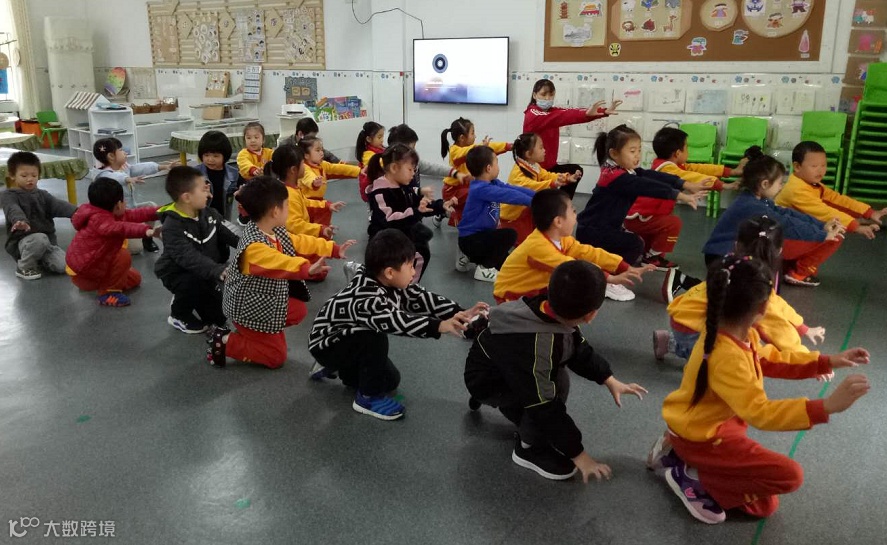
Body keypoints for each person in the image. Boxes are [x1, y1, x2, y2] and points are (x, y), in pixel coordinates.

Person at [647, 255, 870, 524]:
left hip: (703, 426)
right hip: (703, 437)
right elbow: (761, 413)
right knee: (790, 476)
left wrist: (826, 361)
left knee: (762, 505)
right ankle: (689, 476)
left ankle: (679, 454)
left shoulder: (735, 332)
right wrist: (826, 407)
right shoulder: (727, 354)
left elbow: (768, 359)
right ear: (763, 307)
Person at [465, 260, 648, 482]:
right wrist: (579, 456)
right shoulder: (541, 346)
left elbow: (578, 349)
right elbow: (544, 406)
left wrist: (608, 379)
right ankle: (528, 449)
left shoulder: (546, 307)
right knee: (557, 383)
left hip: (494, 367)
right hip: (488, 382)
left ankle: (514, 411)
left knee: (547, 381)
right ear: (591, 315)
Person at [308, 228, 489, 420]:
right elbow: (398, 322)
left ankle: (338, 367)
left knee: (390, 381)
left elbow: (422, 299)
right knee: (374, 337)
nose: (414, 272)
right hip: (326, 344)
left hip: (346, 338)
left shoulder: (386, 279)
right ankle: (366, 399)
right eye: (410, 266)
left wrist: (459, 313)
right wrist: (439, 326)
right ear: (390, 272)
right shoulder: (367, 298)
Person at [207, 176, 354, 369]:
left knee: (298, 310)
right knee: (276, 357)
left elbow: (299, 241)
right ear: (275, 211)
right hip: (245, 307)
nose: (289, 209)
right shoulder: (253, 248)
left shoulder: (270, 228)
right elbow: (280, 262)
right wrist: (306, 268)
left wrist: (332, 249)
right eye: (287, 205)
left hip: (260, 296)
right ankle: (225, 340)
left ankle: (259, 333)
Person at [655, 216, 826, 362]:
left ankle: (676, 342)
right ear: (780, 250)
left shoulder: (731, 263)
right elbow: (778, 328)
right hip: (691, 328)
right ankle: (677, 346)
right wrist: (808, 360)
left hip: (684, 318)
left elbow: (776, 304)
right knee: (741, 355)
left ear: (737, 245)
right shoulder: (756, 283)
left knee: (744, 334)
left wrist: (802, 327)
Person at [575, 125, 706, 301]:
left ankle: (599, 269)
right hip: (594, 231)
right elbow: (648, 186)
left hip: (597, 228)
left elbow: (650, 175)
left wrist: (685, 184)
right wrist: (680, 195)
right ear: (614, 154)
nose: (637, 155)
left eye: (639, 150)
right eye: (632, 151)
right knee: (634, 244)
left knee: (629, 242)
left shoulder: (619, 170)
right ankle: (611, 282)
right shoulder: (617, 178)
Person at [703, 149, 845, 287]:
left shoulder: (757, 199)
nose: (781, 187)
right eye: (780, 183)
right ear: (765, 184)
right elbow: (786, 224)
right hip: (720, 259)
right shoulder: (752, 206)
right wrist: (822, 235)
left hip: (729, 254)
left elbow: (787, 213)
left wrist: (821, 225)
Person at [494, 189, 652, 303]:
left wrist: (624, 267)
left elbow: (588, 252)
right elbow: (573, 266)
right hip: (511, 296)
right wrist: (610, 278)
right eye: (573, 211)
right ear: (558, 221)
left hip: (533, 289)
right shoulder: (538, 246)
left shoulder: (561, 238)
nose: (576, 217)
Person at [626, 127, 744, 271]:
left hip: (645, 215)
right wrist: (724, 185)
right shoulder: (667, 169)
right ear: (677, 153)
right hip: (641, 217)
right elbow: (692, 177)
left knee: (663, 229)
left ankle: (647, 254)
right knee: (673, 224)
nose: (688, 151)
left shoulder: (667, 164)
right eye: (687, 147)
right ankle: (651, 258)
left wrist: (731, 171)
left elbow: (699, 169)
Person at [155, 166, 239, 334]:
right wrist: (216, 269)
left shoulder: (207, 213)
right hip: (178, 272)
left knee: (218, 318)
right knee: (191, 284)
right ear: (187, 197)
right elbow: (188, 256)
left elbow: (227, 233)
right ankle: (178, 314)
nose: (208, 192)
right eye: (203, 189)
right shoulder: (172, 226)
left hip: (204, 270)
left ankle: (189, 297)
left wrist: (251, 247)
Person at [65, 178, 161, 307]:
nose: (125, 203)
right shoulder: (100, 221)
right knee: (122, 255)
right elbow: (123, 228)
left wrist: (163, 211)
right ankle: (107, 293)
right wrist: (147, 231)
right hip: (85, 273)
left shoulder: (106, 212)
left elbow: (137, 214)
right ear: (118, 205)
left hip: (88, 268)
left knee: (134, 279)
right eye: (124, 200)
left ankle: (104, 284)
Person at [366, 144, 455, 282]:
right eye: (410, 169)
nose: (413, 173)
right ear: (394, 168)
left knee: (420, 250)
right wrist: (416, 212)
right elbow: (389, 220)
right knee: (417, 254)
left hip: (401, 235)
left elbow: (420, 204)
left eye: (414, 169)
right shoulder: (380, 193)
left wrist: (440, 206)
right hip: (385, 243)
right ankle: (408, 286)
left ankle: (407, 285)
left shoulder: (404, 187)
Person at [523, 78, 621, 198]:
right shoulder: (533, 114)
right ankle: (557, 203)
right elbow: (563, 116)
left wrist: (603, 111)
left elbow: (571, 112)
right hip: (534, 169)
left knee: (575, 171)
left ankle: (563, 203)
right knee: (539, 198)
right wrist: (586, 114)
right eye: (543, 94)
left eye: (551, 95)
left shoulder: (551, 112)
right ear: (534, 95)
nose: (548, 98)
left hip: (549, 167)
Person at [775, 140, 885, 239]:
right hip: (780, 235)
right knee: (833, 235)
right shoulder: (796, 190)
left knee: (834, 232)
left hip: (793, 229)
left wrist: (868, 213)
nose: (820, 170)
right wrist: (856, 227)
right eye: (814, 166)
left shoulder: (811, 184)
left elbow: (837, 199)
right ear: (797, 167)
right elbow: (823, 212)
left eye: (823, 165)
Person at [457, 146, 535, 283]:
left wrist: (538, 196)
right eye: (496, 163)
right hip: (471, 241)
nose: (498, 167)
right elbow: (508, 195)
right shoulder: (480, 188)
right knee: (510, 234)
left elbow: (511, 189)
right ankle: (484, 268)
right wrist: (534, 202)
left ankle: (470, 258)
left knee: (508, 266)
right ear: (488, 168)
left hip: (481, 238)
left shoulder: (493, 183)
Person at [1, 151, 77, 280]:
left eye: (34, 175)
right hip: (23, 243)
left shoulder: (43, 195)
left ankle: (39, 260)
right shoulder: (9, 195)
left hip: (48, 243)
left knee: (62, 266)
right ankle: (24, 267)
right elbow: (13, 209)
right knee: (39, 239)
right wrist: (20, 221)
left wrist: (78, 211)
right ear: (12, 175)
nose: (30, 179)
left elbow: (58, 205)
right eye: (24, 175)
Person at [92, 137, 174, 254]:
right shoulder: (102, 175)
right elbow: (113, 177)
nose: (125, 152)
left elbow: (137, 168)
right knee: (136, 248)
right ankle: (117, 240)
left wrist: (161, 167)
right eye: (121, 150)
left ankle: (147, 238)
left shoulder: (123, 167)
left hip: (130, 211)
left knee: (151, 206)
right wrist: (127, 179)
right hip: (116, 219)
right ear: (111, 156)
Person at [387, 123, 471, 227]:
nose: (414, 152)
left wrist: (454, 173)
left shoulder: (414, 163)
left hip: (414, 214)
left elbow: (433, 168)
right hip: (401, 222)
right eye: (411, 149)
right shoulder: (390, 184)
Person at [502, 133, 578, 245]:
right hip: (512, 218)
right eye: (541, 147)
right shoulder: (518, 172)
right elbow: (532, 186)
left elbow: (547, 175)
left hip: (524, 212)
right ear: (528, 154)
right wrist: (553, 183)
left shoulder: (533, 165)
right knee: (525, 244)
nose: (544, 150)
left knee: (532, 239)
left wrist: (566, 177)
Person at [439, 117, 511, 231]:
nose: (475, 136)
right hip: (452, 191)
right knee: (478, 196)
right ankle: (446, 212)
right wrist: (482, 147)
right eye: (472, 133)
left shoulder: (470, 148)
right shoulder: (455, 151)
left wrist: (508, 146)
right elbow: (469, 152)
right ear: (462, 138)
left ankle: (444, 213)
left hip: (465, 187)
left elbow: (487, 148)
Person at [297, 136, 360, 225]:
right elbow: (308, 177)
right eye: (318, 150)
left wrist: (358, 170)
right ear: (306, 155)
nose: (322, 153)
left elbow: (337, 168)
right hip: (308, 204)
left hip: (318, 202)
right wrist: (314, 182)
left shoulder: (322, 164)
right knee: (320, 217)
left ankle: (323, 230)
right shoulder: (304, 167)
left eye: (322, 150)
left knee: (324, 215)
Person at [195, 130, 238, 218]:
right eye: (206, 155)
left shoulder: (233, 174)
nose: (210, 159)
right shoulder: (195, 173)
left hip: (223, 217)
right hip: (201, 218)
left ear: (224, 156)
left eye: (215, 156)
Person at [279, 117, 343, 164]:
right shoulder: (285, 147)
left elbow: (327, 154)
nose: (313, 140)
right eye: (311, 137)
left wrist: (339, 163)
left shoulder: (312, 143)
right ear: (300, 134)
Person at [355, 121, 385, 202]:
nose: (382, 140)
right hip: (370, 189)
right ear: (368, 139)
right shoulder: (367, 154)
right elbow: (379, 163)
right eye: (379, 137)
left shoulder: (380, 149)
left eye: (382, 137)